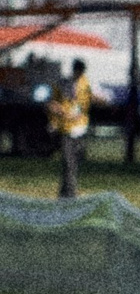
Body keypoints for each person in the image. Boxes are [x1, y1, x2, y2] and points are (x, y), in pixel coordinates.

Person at [45, 58, 92, 199]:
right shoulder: (62, 84)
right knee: (68, 162)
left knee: (74, 164)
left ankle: (64, 193)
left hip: (80, 128)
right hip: (66, 128)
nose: (80, 74)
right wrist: (55, 116)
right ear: (74, 70)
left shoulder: (85, 85)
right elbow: (51, 103)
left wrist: (75, 114)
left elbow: (84, 108)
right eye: (78, 72)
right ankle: (70, 195)